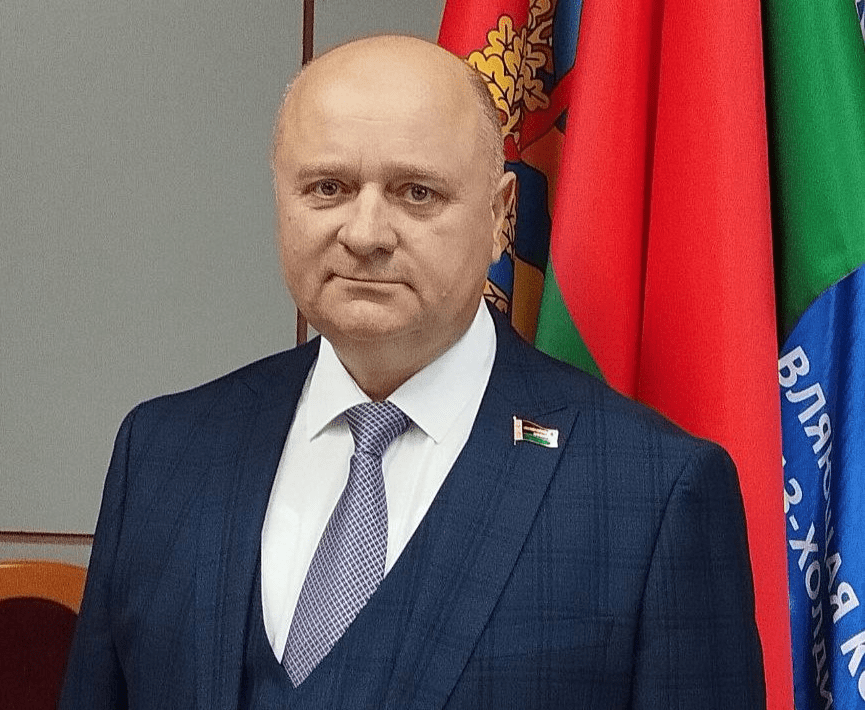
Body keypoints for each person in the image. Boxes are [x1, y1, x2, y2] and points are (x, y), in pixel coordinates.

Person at [59, 35, 764, 709]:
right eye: (328, 187)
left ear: (500, 218)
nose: (365, 233)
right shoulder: (163, 453)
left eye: (416, 193)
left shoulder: (650, 492)